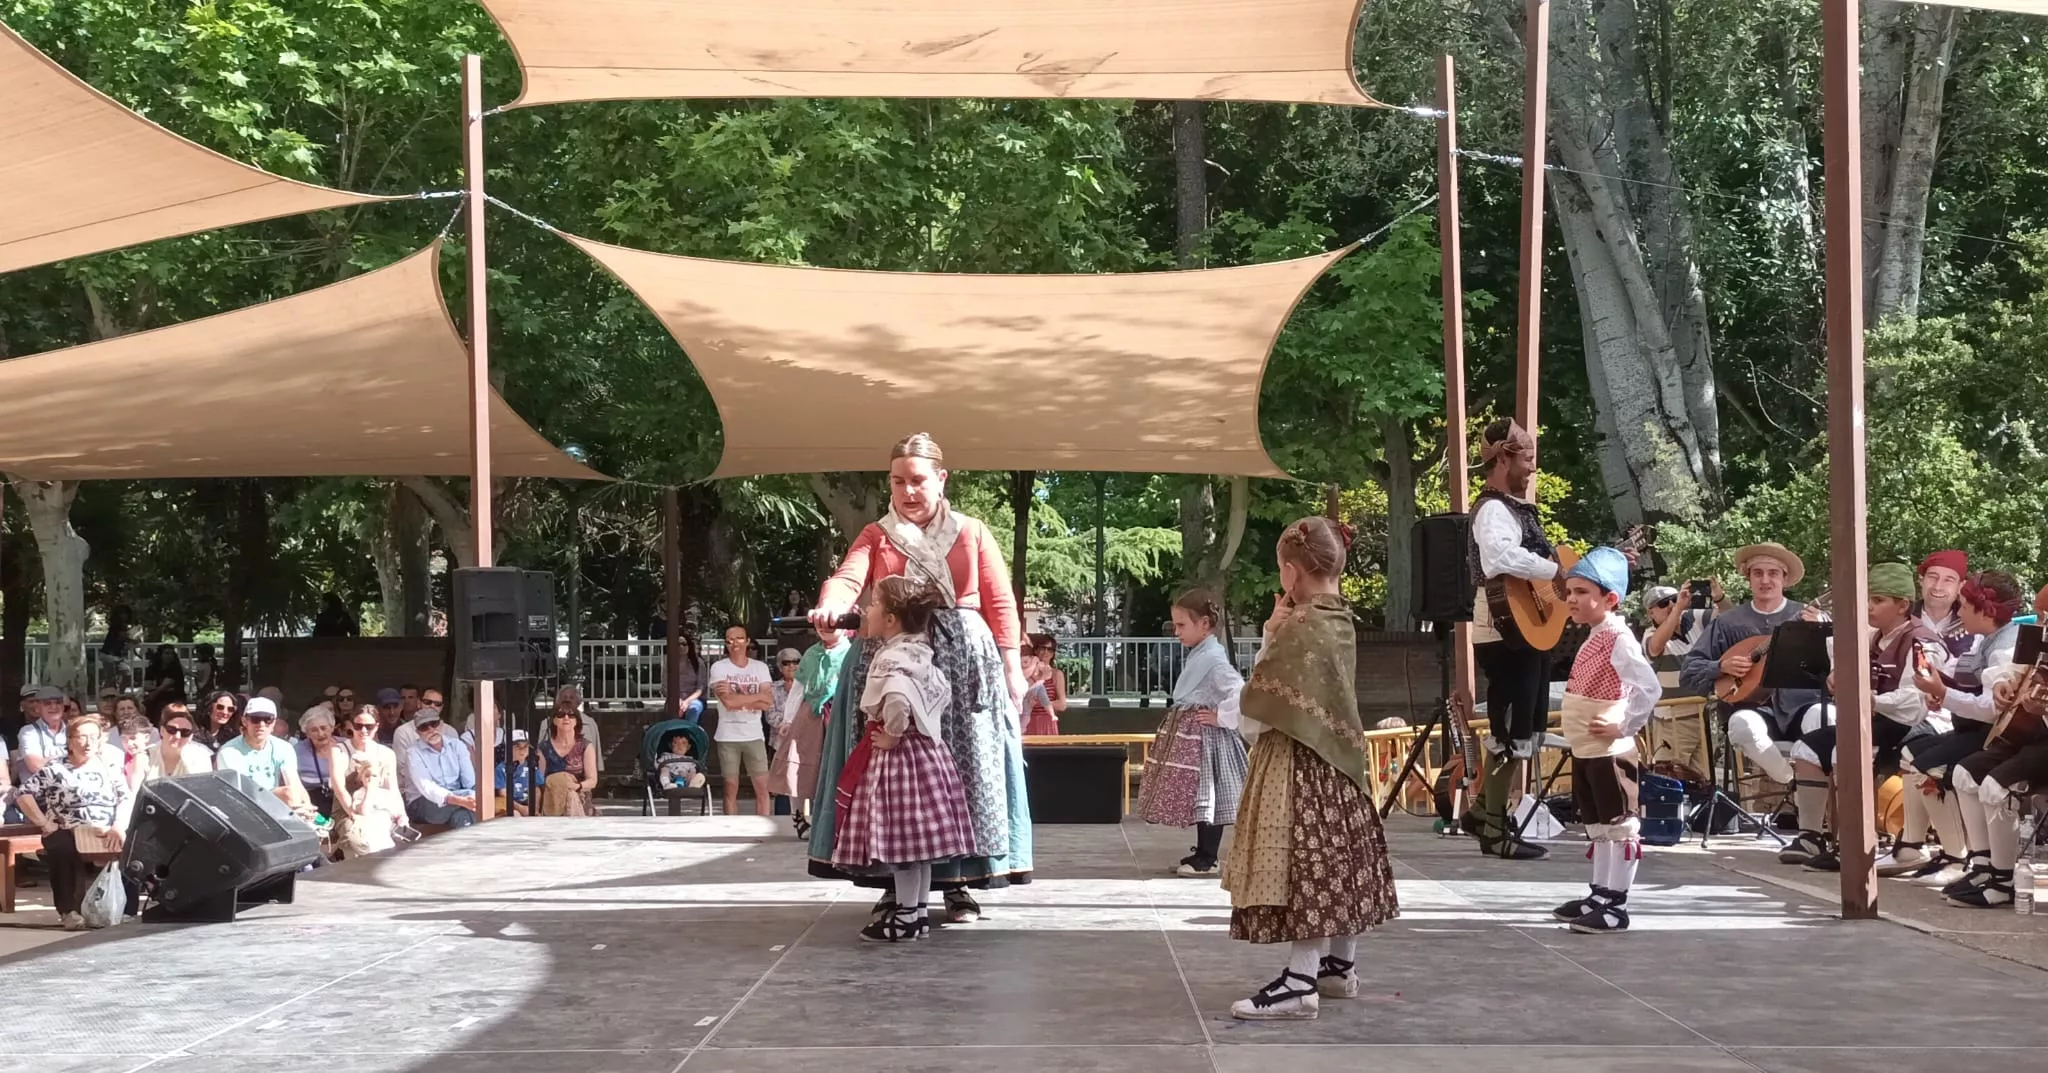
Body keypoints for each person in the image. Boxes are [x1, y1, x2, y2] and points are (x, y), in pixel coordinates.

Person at [805, 432, 1033, 927]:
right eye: (897, 482)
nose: (907, 491)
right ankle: (894, 884)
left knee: (967, 772)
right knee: (890, 778)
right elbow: (849, 576)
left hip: (962, 663)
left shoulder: (971, 532)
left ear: (941, 479)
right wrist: (833, 603)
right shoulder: (877, 533)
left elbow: (998, 602)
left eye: (917, 481)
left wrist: (1012, 667)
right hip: (889, 659)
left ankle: (960, 885)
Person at [1222, 517, 1398, 1021]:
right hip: (1341, 760)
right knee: (1337, 854)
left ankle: (1301, 980)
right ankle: (1339, 966)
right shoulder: (1339, 617)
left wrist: (1269, 637)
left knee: (1304, 860)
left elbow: (1257, 705)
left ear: (1292, 571)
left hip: (1298, 757)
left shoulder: (1299, 624)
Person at [832, 577, 978, 943]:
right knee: (921, 848)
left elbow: (896, 696)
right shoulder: (922, 649)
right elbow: (937, 692)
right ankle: (919, 912)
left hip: (900, 757)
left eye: (874, 604)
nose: (867, 610)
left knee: (905, 844)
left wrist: (893, 732)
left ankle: (906, 915)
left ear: (892, 618)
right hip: (928, 752)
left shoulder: (890, 657)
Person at [1782, 563, 1949, 870]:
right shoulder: (1874, 636)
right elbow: (1844, 660)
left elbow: (1918, 701)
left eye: (1878, 600)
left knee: (1849, 751)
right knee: (1807, 749)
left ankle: (1855, 843)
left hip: (1918, 725)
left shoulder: (1922, 641)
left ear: (1902, 605)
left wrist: (1870, 699)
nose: (1869, 606)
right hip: (1880, 720)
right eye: (1868, 599)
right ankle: (1811, 837)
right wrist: (1837, 674)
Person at [1678, 542, 1830, 848]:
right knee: (1743, 725)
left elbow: (1843, 664)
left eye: (1773, 573)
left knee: (1826, 718)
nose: (1765, 580)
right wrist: (1720, 666)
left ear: (1785, 579)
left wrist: (1825, 632)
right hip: (1754, 708)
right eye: (1758, 573)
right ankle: (1793, 782)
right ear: (1748, 578)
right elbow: (1689, 673)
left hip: (1805, 706)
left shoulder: (1809, 617)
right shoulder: (1729, 622)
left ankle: (1816, 826)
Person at [1548, 548, 1662, 934]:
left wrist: (1624, 726)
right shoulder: (1596, 636)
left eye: (1581, 592)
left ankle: (1616, 903)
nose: (1571, 600)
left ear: (1609, 598)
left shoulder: (1618, 637)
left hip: (1608, 750)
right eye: (1569, 592)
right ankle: (1599, 892)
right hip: (1587, 749)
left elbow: (1648, 687)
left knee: (1619, 824)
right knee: (1598, 824)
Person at [1465, 418, 1560, 861]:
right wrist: (1554, 570)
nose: (1531, 470)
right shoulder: (1492, 510)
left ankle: (1484, 812)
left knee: (1522, 722)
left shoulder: (1513, 508)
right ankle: (1495, 830)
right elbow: (1499, 556)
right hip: (1503, 631)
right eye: (1526, 460)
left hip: (1522, 629)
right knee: (1508, 727)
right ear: (1502, 459)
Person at [1895, 571, 2026, 883]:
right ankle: (1911, 846)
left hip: (1997, 735)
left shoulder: (2004, 649)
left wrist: (1943, 692)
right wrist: (1940, 687)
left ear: (1985, 611)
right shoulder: (1984, 638)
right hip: (1973, 729)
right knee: (1911, 752)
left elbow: (1992, 710)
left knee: (1932, 766)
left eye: (1965, 604)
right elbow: (1963, 678)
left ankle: (1960, 858)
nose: (1960, 609)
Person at [1926, 580, 2047, 907]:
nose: (2041, 623)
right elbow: (2014, 677)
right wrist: (2005, 687)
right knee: (1965, 774)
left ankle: (2004, 881)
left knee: (1994, 785)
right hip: (2028, 734)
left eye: (2046, 615)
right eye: (2039, 614)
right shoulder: (2035, 639)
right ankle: (1983, 866)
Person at [1136, 588, 1249, 877]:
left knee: (1209, 793)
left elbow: (1240, 690)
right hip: (1196, 736)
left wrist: (1221, 716)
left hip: (1207, 738)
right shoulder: (1203, 654)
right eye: (1175, 625)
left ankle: (1208, 857)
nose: (1177, 632)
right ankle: (1203, 853)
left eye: (1182, 625)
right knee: (1201, 795)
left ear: (1205, 624)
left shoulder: (1213, 660)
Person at [16, 717, 129, 929]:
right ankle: (69, 911)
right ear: (70, 740)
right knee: (62, 847)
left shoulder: (108, 766)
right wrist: (44, 823)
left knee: (133, 845)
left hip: (105, 828)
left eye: (94, 738)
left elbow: (125, 797)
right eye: (82, 737)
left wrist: (119, 825)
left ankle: (123, 909)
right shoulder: (55, 768)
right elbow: (23, 794)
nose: (88, 743)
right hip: (67, 827)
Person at [769, 625, 851, 840]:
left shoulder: (851, 651)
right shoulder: (812, 654)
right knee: (798, 762)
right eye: (822, 626)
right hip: (811, 713)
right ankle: (798, 817)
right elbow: (798, 688)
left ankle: (833, 819)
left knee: (837, 765)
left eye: (832, 626)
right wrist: (788, 719)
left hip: (839, 711)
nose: (826, 630)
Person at [710, 625, 776, 817]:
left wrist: (738, 697)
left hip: (754, 734)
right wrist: (755, 698)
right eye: (729, 640)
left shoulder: (760, 667)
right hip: (727, 734)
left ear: (747, 641)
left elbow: (768, 702)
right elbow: (728, 702)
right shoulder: (719, 667)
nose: (734, 643)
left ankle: (762, 827)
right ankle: (731, 826)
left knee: (762, 786)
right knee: (731, 786)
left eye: (739, 638)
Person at [216, 698, 311, 818]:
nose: (261, 725)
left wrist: (306, 806)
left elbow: (294, 783)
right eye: (255, 719)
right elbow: (240, 793)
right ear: (245, 721)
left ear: (274, 723)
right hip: (242, 810)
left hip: (276, 807)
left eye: (268, 719)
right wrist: (282, 796)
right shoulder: (229, 752)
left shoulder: (284, 747)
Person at [334, 710, 405, 856]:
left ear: (377, 726)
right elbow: (339, 788)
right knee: (358, 840)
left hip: (380, 808)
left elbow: (392, 788)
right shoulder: (339, 750)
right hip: (347, 810)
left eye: (369, 726)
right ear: (351, 726)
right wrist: (354, 813)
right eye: (358, 726)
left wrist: (402, 814)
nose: (363, 731)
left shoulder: (386, 753)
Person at [404, 709, 480, 827]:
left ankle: (465, 844)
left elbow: (469, 781)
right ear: (417, 732)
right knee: (475, 800)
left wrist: (465, 800)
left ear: (442, 724)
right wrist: (460, 800)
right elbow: (427, 788)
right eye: (424, 727)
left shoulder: (457, 745)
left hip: (459, 797)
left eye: (434, 724)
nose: (431, 730)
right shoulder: (413, 753)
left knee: (461, 817)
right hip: (423, 802)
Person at [537, 701, 599, 816]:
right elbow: (540, 780)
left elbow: (592, 781)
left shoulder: (586, 746)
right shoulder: (544, 748)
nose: (566, 718)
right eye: (561, 715)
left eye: (571, 715)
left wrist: (577, 786)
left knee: (570, 794)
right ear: (554, 720)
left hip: (578, 795)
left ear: (576, 721)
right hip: (552, 796)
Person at [1916, 550, 1972, 661]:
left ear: (1961, 586)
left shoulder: (1973, 625)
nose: (1938, 587)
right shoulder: (1901, 620)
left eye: (1948, 580)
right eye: (1932, 577)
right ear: (1921, 580)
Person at [295, 705, 342, 816]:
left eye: (323, 728)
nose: (321, 734)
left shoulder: (345, 746)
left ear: (332, 727)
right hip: (311, 804)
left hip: (342, 802)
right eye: (314, 730)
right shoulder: (297, 751)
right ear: (306, 733)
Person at [147, 702, 213, 779]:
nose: (177, 736)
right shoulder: (147, 754)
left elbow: (202, 787)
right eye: (172, 730)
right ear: (162, 730)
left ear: (191, 736)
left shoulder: (201, 755)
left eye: (185, 732)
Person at [16, 685, 69, 780]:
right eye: (48, 703)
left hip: (71, 787)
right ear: (37, 708)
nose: (54, 707)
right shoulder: (29, 731)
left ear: (63, 707)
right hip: (37, 791)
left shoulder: (73, 729)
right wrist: (70, 760)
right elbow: (35, 766)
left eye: (58, 703)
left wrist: (48, 760)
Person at [657, 730, 706, 794]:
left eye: (683, 743)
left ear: (688, 747)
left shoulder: (690, 760)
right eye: (675, 743)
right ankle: (666, 784)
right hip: (671, 778)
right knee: (664, 769)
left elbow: (692, 770)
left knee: (693, 773)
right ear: (670, 745)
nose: (680, 745)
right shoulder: (666, 756)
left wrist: (691, 774)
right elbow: (658, 765)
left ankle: (693, 785)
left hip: (685, 778)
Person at [497, 731, 534, 816]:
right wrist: (520, 808)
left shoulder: (532, 767)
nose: (522, 750)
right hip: (509, 806)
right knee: (515, 815)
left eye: (525, 746)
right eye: (517, 747)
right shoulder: (501, 768)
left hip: (528, 805)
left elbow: (539, 788)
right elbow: (502, 793)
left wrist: (533, 809)